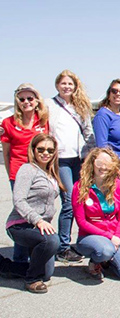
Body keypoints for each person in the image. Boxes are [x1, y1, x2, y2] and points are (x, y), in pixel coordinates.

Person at [46, 69, 95, 263]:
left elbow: (88, 131)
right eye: (63, 83)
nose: (67, 87)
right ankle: (62, 246)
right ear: (57, 85)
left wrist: (90, 156)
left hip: (78, 158)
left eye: (70, 84)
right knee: (68, 202)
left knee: (80, 200)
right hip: (60, 159)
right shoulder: (49, 105)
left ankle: (79, 241)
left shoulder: (80, 106)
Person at [6, 134, 63, 293]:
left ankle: (7, 266)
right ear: (33, 149)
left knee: (46, 273)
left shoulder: (50, 173)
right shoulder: (28, 169)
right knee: (51, 241)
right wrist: (38, 220)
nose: (46, 153)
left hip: (38, 227)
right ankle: (31, 280)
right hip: (20, 225)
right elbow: (19, 200)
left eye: (50, 150)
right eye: (41, 149)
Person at [73, 148, 120, 281]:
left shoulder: (118, 185)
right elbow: (82, 222)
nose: (103, 167)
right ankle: (95, 261)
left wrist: (116, 236)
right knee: (105, 250)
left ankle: (107, 261)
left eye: (107, 164)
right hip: (90, 236)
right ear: (92, 163)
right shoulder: (80, 187)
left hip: (114, 236)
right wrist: (109, 237)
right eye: (99, 163)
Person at [2, 83, 49, 263]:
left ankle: (36, 251)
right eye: (22, 99)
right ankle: (20, 259)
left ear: (37, 101)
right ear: (17, 102)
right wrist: (11, 175)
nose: (26, 102)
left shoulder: (43, 121)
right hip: (19, 174)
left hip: (39, 174)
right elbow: (6, 153)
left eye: (30, 98)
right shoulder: (8, 122)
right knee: (22, 216)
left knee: (40, 212)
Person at [93, 79, 120, 198]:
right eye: (114, 91)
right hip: (115, 166)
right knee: (117, 200)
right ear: (109, 93)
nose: (118, 94)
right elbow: (102, 146)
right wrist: (114, 167)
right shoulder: (103, 115)